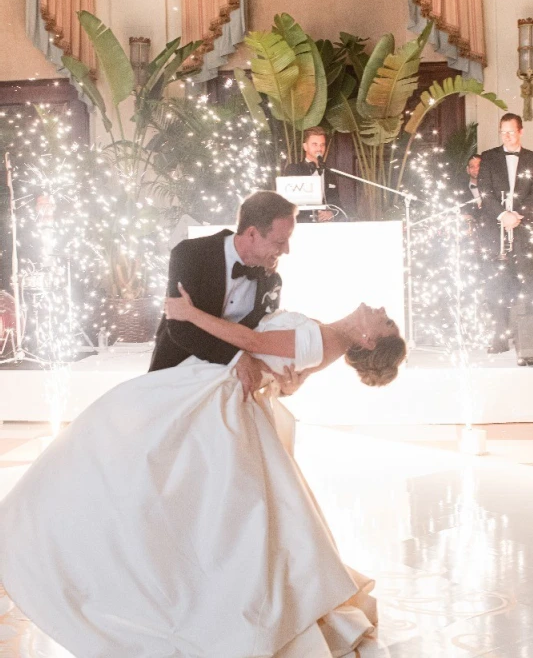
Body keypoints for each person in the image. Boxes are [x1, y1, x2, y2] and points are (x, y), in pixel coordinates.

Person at [0, 302, 406, 658]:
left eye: (386, 323)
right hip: (217, 385)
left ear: (369, 341)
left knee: (148, 469)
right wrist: (278, 375)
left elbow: (252, 341)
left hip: (218, 397)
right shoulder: (327, 337)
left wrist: (191, 313)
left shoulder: (324, 341)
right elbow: (286, 373)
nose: (383, 312)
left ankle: (80, 552)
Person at [149, 190, 297, 398]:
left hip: (231, 388)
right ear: (252, 233)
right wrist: (236, 357)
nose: (287, 250)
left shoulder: (271, 281)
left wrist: (283, 380)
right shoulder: (191, 254)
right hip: (175, 375)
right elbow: (180, 328)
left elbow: (262, 338)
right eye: (280, 242)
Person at [478, 113, 533, 362]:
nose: (507, 136)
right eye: (503, 132)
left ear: (521, 131)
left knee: (526, 286)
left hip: (524, 231)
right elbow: (484, 192)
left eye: (511, 131)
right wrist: (502, 215)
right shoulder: (489, 157)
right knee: (495, 285)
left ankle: (527, 347)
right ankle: (499, 339)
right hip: (494, 231)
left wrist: (518, 215)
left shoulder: (532, 158)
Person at [283, 126, 341, 222]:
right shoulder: (294, 169)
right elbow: (288, 204)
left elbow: (337, 204)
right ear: (305, 146)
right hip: (302, 226)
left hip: (327, 227)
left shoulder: (329, 174)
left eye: (322, 145)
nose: (319, 148)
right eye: (315, 144)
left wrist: (332, 213)